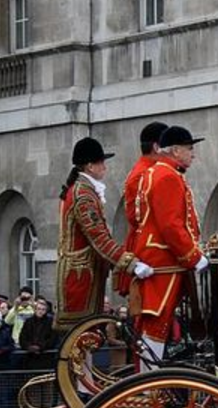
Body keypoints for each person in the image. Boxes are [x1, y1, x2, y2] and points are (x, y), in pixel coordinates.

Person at [55, 137, 154, 332]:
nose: (105, 167)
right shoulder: (83, 195)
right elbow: (99, 239)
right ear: (90, 166)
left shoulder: (83, 191)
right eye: (101, 162)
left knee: (87, 337)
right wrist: (131, 264)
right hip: (80, 276)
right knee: (82, 336)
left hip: (86, 274)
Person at [130, 126, 208, 369]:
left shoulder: (156, 173)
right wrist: (194, 257)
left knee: (155, 324)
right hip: (164, 261)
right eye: (189, 148)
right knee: (157, 323)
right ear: (175, 150)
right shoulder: (167, 176)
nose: (192, 154)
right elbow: (171, 226)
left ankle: (147, 381)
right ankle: (148, 384)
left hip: (158, 258)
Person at [114, 121, 168, 297]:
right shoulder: (144, 174)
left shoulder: (151, 170)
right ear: (156, 147)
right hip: (147, 248)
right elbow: (142, 218)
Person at [19, 299, 57, 370]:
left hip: (45, 357)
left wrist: (40, 347)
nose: (40, 311)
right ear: (35, 310)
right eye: (39, 309)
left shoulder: (50, 322)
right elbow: (22, 337)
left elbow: (52, 339)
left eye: (43, 309)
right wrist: (29, 347)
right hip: (30, 358)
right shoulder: (28, 322)